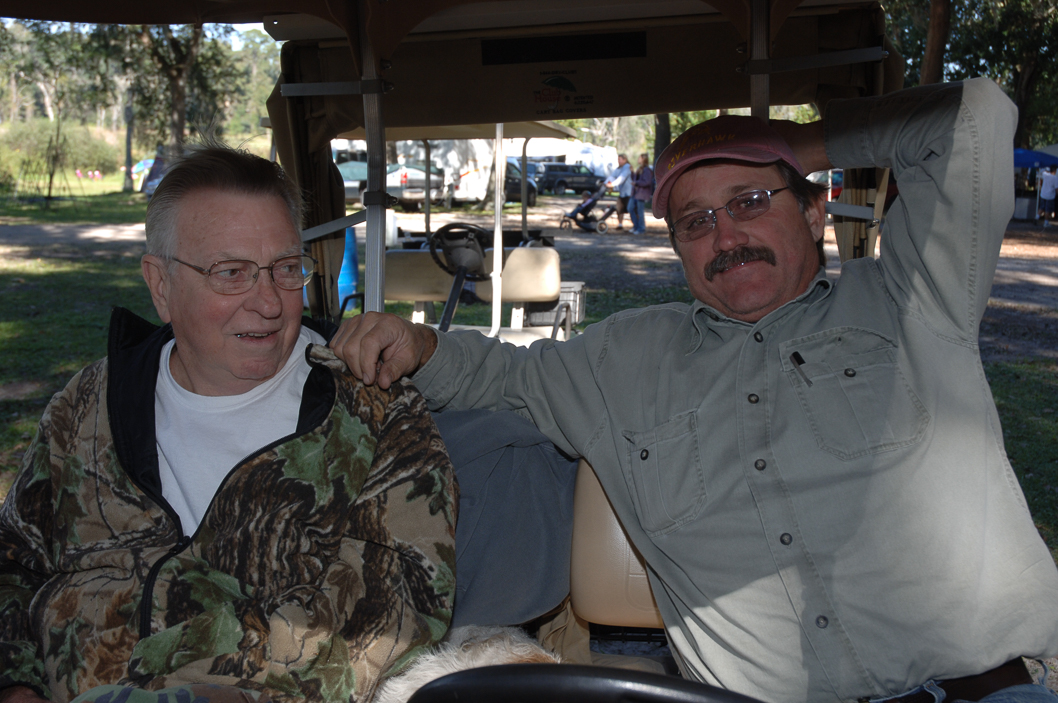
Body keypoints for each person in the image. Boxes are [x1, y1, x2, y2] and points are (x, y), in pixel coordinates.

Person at [329, 78, 1058, 703]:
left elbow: (973, 118)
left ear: (814, 212)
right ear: (677, 247)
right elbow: (501, 374)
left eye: (751, 200)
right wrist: (418, 343)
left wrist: (794, 144)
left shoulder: (910, 302)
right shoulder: (623, 359)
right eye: (696, 222)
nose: (726, 236)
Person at [0, 144, 458, 703]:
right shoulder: (88, 406)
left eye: (286, 269)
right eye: (232, 273)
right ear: (161, 286)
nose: (269, 302)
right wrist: (15, 683)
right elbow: (13, 561)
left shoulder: (372, 409)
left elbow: (401, 606)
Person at [628, 153, 654, 235]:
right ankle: (636, 226)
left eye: (639, 158)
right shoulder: (639, 169)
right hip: (635, 193)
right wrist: (632, 172)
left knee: (640, 211)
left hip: (641, 193)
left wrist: (637, 183)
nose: (638, 159)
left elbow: (647, 182)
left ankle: (641, 228)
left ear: (643, 159)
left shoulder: (647, 170)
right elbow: (635, 179)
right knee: (630, 208)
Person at [605, 153, 632, 230]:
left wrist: (612, 184)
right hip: (622, 193)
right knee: (619, 208)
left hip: (629, 193)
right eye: (618, 159)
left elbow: (621, 178)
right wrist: (605, 184)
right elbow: (612, 176)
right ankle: (620, 224)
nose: (618, 161)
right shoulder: (619, 168)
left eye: (620, 159)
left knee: (631, 209)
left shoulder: (627, 167)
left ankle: (636, 226)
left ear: (625, 160)